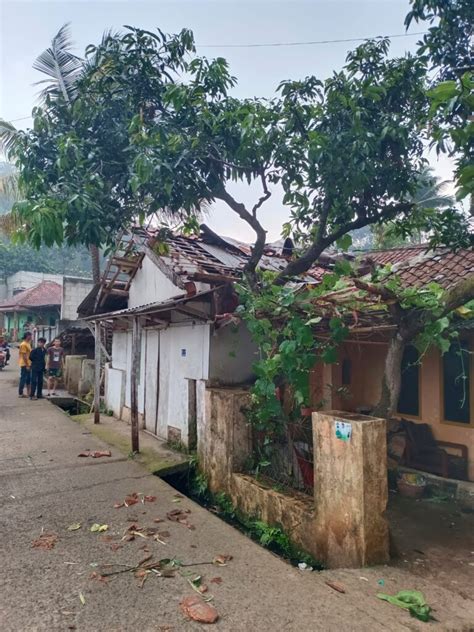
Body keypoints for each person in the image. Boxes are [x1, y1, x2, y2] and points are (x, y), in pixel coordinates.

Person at [18, 332, 33, 398]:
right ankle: (21, 393)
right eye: (30, 335)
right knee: (23, 378)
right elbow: (24, 356)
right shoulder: (23, 344)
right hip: (24, 364)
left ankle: (28, 392)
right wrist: (27, 365)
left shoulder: (28, 343)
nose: (31, 337)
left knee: (28, 378)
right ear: (27, 336)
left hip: (28, 363)